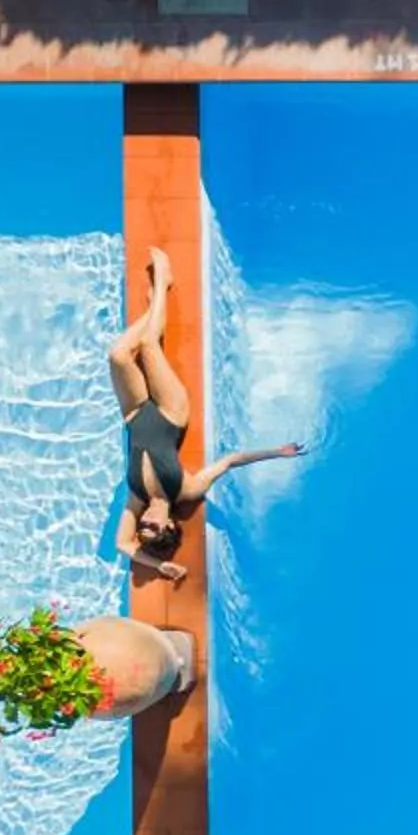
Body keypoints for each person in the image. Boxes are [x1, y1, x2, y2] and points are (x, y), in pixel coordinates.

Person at [111, 246, 304, 584]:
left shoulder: (136, 498)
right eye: (153, 528)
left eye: (143, 528)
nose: (145, 523)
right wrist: (277, 451)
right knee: (149, 347)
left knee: (118, 356)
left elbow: (122, 544)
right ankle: (161, 287)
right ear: (170, 525)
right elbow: (230, 461)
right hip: (171, 412)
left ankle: (155, 302)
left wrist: (156, 566)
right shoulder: (187, 490)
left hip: (135, 412)